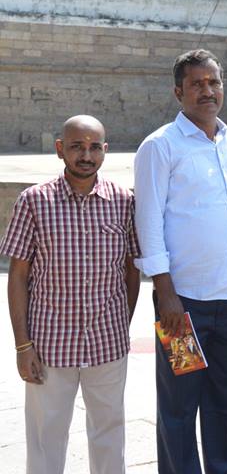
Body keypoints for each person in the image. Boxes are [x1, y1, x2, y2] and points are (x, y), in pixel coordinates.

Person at [135, 49, 227, 474]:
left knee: (225, 401)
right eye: (197, 84)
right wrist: (165, 293)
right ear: (178, 92)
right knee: (180, 406)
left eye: (214, 82)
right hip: (183, 305)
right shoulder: (160, 146)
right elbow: (148, 222)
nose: (207, 91)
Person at [2, 115, 140, 474]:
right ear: (60, 149)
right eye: (77, 146)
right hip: (49, 345)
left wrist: (120, 323)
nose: (86, 156)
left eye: (94, 147)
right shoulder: (34, 201)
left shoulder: (123, 201)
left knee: (109, 434)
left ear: (105, 151)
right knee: (45, 437)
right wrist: (23, 346)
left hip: (107, 343)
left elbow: (131, 270)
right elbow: (18, 276)